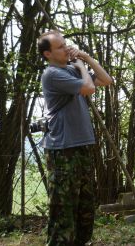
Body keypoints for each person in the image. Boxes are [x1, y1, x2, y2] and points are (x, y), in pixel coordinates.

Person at [37, 30, 113, 246]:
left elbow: (106, 80)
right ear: (47, 54)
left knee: (85, 209)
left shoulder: (71, 69)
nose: (66, 48)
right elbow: (89, 88)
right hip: (63, 149)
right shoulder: (52, 74)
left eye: (65, 44)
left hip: (81, 146)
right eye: (60, 47)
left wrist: (85, 58)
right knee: (64, 212)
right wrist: (80, 65)